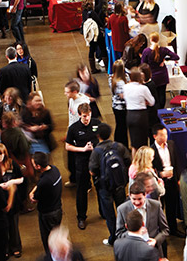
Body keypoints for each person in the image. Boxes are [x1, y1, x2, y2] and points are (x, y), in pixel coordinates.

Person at [88, 124, 132, 246]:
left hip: (104, 187)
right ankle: (127, 234)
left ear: (98, 136)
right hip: (119, 184)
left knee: (110, 215)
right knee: (123, 210)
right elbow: (128, 161)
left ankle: (113, 238)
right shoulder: (118, 146)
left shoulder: (96, 151)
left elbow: (92, 170)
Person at [65, 102, 102, 230]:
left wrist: (96, 147)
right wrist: (83, 149)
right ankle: (81, 217)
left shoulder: (97, 123)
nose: (86, 119)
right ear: (79, 115)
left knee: (101, 187)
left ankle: (103, 212)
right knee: (81, 190)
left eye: (88, 116)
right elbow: (67, 146)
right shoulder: (74, 128)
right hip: (82, 161)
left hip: (96, 160)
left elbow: (102, 138)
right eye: (84, 116)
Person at [115, 182, 170, 256]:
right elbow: (119, 233)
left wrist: (155, 241)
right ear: (129, 196)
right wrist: (134, 235)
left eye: (139, 199)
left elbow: (165, 230)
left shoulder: (156, 206)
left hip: (153, 250)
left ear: (145, 195)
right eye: (134, 199)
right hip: (133, 251)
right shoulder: (122, 209)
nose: (137, 202)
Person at [0, 144, 25, 258]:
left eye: (1, 154)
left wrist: (11, 183)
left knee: (13, 226)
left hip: (13, 200)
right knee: (2, 228)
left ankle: (16, 247)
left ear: (5, 154)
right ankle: (5, 248)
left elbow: (21, 179)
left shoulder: (12, 164)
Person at [149, 123, 181, 233]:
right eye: (162, 135)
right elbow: (150, 169)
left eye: (166, 134)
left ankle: (173, 229)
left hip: (172, 180)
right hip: (159, 183)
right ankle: (160, 230)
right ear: (155, 136)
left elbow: (177, 161)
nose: (165, 137)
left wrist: (178, 177)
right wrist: (161, 174)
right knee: (159, 208)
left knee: (172, 205)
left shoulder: (171, 145)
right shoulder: (151, 151)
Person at [31, 151, 63, 252]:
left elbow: (34, 199)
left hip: (48, 214)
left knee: (48, 241)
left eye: (33, 164)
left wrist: (31, 194)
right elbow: (40, 184)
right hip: (57, 209)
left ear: (38, 166)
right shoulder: (55, 170)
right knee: (56, 237)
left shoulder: (44, 182)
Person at [141, 32, 179, 108]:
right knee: (162, 94)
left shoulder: (146, 51)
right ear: (158, 39)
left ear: (150, 40)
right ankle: (162, 110)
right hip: (162, 75)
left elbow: (143, 64)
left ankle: (156, 111)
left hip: (152, 76)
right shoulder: (163, 50)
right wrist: (165, 59)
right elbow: (176, 57)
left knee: (154, 95)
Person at [124, 70, 156, 147]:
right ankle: (143, 158)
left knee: (134, 143)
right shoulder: (143, 88)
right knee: (143, 141)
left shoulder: (125, 87)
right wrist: (145, 102)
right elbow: (152, 102)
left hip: (130, 115)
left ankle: (135, 158)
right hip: (140, 116)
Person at [109, 60, 130, 146]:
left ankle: (121, 144)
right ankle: (122, 145)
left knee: (120, 126)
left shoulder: (111, 78)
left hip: (115, 105)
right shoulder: (121, 81)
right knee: (122, 127)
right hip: (121, 107)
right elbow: (123, 96)